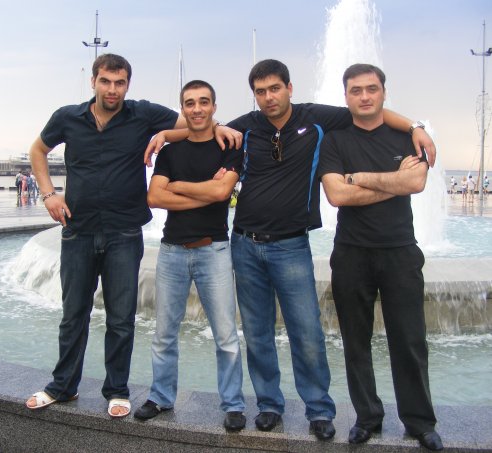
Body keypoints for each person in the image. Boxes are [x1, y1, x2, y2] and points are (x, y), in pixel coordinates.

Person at [145, 59, 436, 441]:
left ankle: (319, 410)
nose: (269, 97)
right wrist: (165, 135)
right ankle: (269, 405)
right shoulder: (246, 126)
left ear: (289, 88)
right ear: (255, 95)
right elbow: (200, 125)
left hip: (292, 246)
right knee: (258, 334)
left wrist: (415, 127)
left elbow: (367, 111)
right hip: (245, 244)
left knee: (307, 334)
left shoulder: (317, 119)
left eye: (275, 89)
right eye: (261, 92)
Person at [25, 54, 241, 417]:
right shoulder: (67, 117)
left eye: (120, 82)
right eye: (106, 81)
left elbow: (193, 122)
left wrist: (215, 127)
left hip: (124, 233)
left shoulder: (142, 114)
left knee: (121, 319)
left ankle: (117, 390)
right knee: (73, 315)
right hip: (78, 231)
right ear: (93, 81)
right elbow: (38, 150)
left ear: (127, 84)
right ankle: (62, 386)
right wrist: (49, 194)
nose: (113, 89)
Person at [319, 63, 443, 451]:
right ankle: (368, 417)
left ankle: (419, 422)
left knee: (410, 340)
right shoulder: (334, 140)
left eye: (371, 89)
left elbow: (416, 182)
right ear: (346, 97)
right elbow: (337, 195)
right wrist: (395, 182)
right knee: (355, 342)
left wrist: (358, 177)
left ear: (384, 93)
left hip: (400, 251)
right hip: (351, 253)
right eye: (356, 90)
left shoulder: (408, 137)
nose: (365, 96)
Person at [133, 80, 246, 431]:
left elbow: (223, 192)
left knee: (226, 335)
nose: (197, 109)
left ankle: (233, 404)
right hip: (172, 252)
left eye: (203, 102)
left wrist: (178, 186)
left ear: (214, 107)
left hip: (214, 250)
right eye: (190, 103)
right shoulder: (170, 152)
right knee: (164, 333)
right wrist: (205, 192)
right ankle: (160, 397)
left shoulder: (229, 146)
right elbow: (155, 197)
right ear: (183, 109)